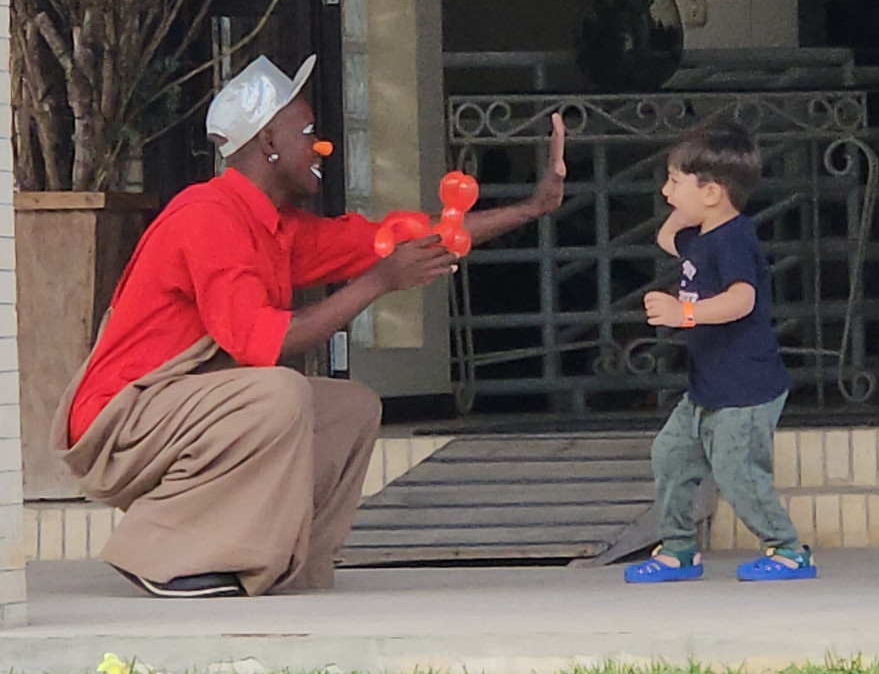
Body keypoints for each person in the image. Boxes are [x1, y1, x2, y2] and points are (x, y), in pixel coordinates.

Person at [51, 54, 566, 598]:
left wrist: (531, 208)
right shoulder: (208, 216)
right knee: (277, 393)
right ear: (268, 139)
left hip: (178, 411)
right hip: (119, 424)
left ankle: (279, 565)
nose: (322, 146)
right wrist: (378, 284)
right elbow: (265, 345)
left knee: (351, 407)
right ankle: (167, 557)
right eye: (309, 132)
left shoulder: (279, 226)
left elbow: (406, 239)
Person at [623, 124, 816, 584]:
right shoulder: (705, 235)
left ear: (711, 193)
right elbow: (668, 240)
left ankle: (788, 549)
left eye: (674, 182)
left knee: (737, 471)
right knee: (670, 455)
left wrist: (681, 312)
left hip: (745, 388)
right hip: (708, 387)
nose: (665, 192)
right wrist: (683, 207)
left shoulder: (732, 239)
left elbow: (741, 301)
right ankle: (677, 548)